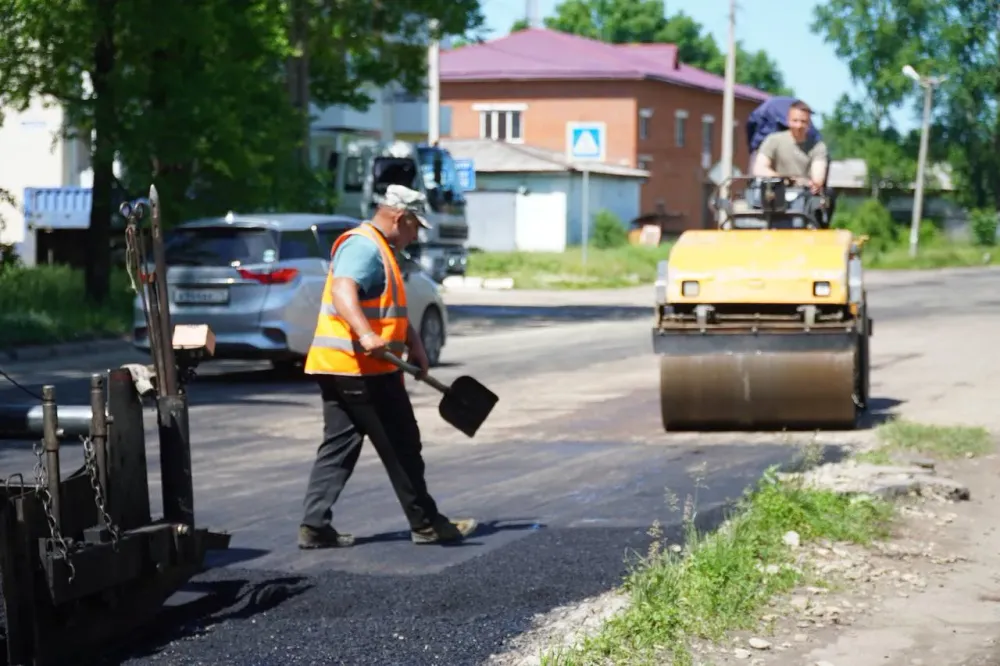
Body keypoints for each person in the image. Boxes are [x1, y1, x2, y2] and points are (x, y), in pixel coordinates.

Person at [298, 184, 478, 549]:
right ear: (400, 218)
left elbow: (386, 308)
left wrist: (415, 344)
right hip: (362, 369)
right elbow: (343, 292)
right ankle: (427, 524)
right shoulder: (364, 247)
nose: (416, 236)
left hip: (340, 366)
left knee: (339, 446)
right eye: (415, 227)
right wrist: (366, 335)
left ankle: (314, 526)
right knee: (401, 443)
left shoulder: (379, 247)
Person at [752, 99, 829, 195]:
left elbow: (817, 179)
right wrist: (784, 180)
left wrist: (808, 183)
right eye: (795, 120)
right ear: (788, 120)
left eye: (803, 121)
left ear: (809, 123)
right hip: (777, 193)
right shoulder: (773, 140)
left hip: (805, 194)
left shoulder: (818, 147)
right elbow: (759, 169)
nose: (799, 125)